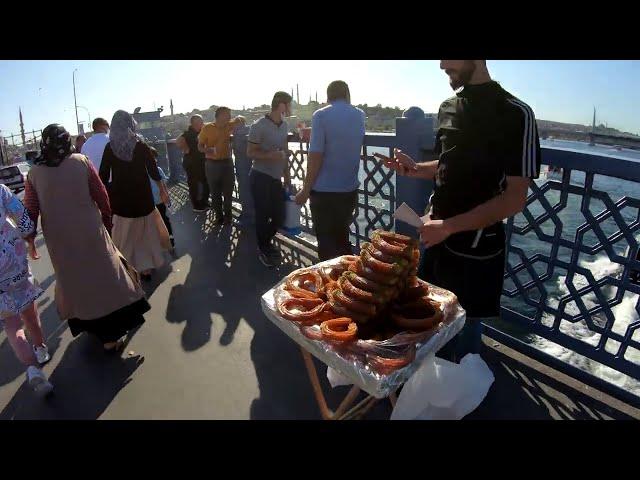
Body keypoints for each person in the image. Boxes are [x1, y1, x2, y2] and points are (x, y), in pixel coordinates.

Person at [382, 60, 540, 361]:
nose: (441, 64)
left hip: (475, 253)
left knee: (463, 344)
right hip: (435, 242)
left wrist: (448, 227)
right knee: (428, 325)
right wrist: (414, 169)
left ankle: (456, 403)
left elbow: (515, 198)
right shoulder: (447, 107)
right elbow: (446, 167)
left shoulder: (516, 113)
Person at [24, 124, 151, 352]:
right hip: (90, 231)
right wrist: (107, 219)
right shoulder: (80, 161)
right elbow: (101, 193)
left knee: (77, 281)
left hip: (59, 239)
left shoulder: (34, 173)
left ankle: (93, 328)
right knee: (105, 275)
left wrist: (31, 240)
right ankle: (111, 334)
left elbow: (30, 210)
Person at [295, 80, 365, 261]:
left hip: (324, 192)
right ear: (347, 94)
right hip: (349, 190)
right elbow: (342, 135)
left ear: (328, 96)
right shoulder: (359, 115)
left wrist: (305, 189)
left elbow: (316, 155)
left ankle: (329, 284)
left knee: (326, 244)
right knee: (342, 238)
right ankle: (346, 281)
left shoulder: (321, 116)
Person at [99, 110, 171, 280]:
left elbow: (102, 175)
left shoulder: (110, 148)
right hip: (143, 198)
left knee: (125, 236)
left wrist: (109, 191)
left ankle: (128, 268)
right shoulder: (141, 145)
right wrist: (162, 190)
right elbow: (154, 172)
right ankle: (146, 267)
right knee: (145, 234)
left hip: (121, 200)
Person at [0, 183, 53, 397]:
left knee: (11, 323)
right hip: (13, 260)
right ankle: (40, 348)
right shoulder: (1, 189)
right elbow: (22, 218)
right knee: (29, 310)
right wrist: (29, 236)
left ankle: (32, 370)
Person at [247, 91, 293, 268]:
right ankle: (264, 247)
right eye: (289, 104)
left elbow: (284, 152)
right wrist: (270, 155)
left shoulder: (284, 125)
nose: (290, 108)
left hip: (275, 179)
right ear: (281, 105)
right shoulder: (258, 125)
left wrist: (287, 176)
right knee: (263, 215)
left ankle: (264, 242)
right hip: (260, 177)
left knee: (279, 216)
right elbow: (250, 153)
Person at [197, 107, 244, 225]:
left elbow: (242, 120)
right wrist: (207, 150)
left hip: (227, 163)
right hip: (212, 164)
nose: (229, 116)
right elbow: (200, 146)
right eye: (227, 114)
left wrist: (239, 118)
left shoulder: (229, 125)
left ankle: (228, 217)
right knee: (215, 192)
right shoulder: (207, 128)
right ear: (220, 115)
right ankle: (219, 217)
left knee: (228, 192)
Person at [177, 115, 209, 212]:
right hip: (191, 162)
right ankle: (197, 206)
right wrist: (185, 149)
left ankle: (204, 203)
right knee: (194, 184)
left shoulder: (202, 131)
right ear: (193, 123)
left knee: (206, 183)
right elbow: (178, 141)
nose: (200, 124)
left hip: (201, 162)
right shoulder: (188, 133)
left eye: (201, 122)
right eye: (198, 122)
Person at [149, 147, 174, 252]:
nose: (154, 160)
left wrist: (167, 196)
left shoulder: (158, 169)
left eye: (155, 158)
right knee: (160, 220)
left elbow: (163, 183)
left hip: (158, 199)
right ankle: (166, 240)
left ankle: (169, 239)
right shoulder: (155, 169)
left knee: (163, 219)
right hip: (152, 201)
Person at [231, 116, 254, 227]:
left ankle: (247, 216)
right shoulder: (249, 130)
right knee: (249, 190)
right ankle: (251, 214)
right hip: (250, 164)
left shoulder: (239, 134)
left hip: (243, 165)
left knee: (245, 190)